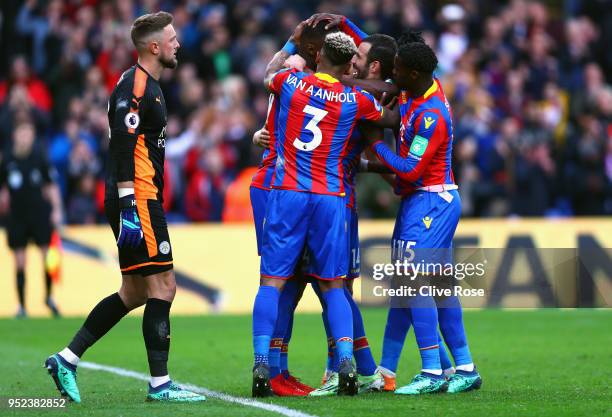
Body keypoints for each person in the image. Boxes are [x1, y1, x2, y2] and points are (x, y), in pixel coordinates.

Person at [44, 12, 205, 403]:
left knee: (133, 291)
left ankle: (66, 358)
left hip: (137, 198)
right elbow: (120, 146)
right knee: (164, 287)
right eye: (171, 39)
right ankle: (160, 384)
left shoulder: (145, 84)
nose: (177, 44)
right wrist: (130, 202)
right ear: (154, 47)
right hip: (139, 199)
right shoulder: (135, 85)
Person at [251, 29, 392, 397]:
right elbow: (389, 117)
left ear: (318, 58)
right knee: (334, 285)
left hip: (289, 193)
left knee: (272, 282)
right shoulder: (355, 99)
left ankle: (262, 363)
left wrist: (290, 43)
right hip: (330, 197)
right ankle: (345, 362)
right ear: (349, 65)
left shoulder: (291, 83)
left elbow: (269, 75)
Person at [367, 31, 482, 394]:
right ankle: (461, 367)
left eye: (397, 69)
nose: (392, 74)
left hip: (433, 202)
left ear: (414, 74)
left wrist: (373, 150)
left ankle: (432, 370)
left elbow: (412, 170)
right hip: (419, 203)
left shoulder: (432, 115)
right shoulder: (412, 91)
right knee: (425, 287)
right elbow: (378, 70)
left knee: (413, 282)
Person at [0, 121, 62, 318]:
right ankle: (21, 306)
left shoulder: (39, 159)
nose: (26, 137)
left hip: (39, 215)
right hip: (17, 216)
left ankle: (49, 296)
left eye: (29, 134)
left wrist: (57, 210)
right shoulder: (7, 160)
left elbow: (51, 186)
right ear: (15, 136)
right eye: (22, 133)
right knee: (19, 261)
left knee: (48, 257)